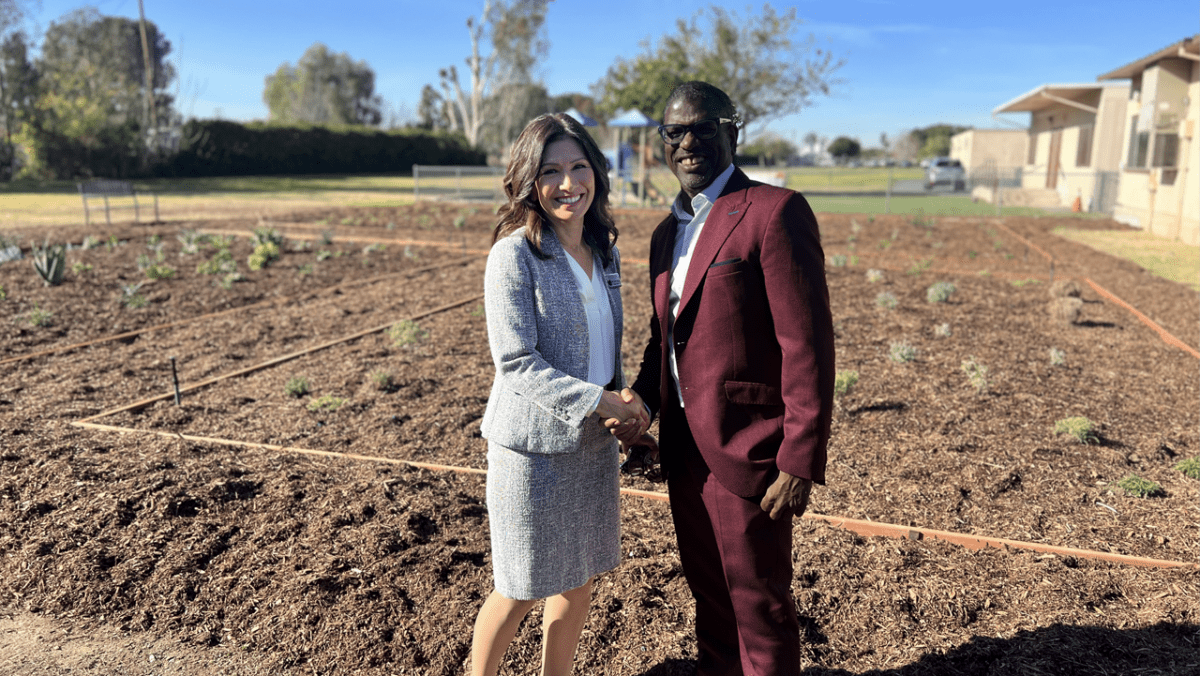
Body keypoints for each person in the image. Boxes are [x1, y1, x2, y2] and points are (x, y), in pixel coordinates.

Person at [610, 81, 835, 676]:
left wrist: (798, 458)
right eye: (674, 132)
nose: (688, 142)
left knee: (758, 608)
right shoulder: (666, 234)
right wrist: (641, 405)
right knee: (709, 601)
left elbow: (806, 347)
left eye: (704, 128)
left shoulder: (774, 212)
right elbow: (666, 341)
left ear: (733, 132)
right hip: (685, 455)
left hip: (750, 451)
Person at [471, 112, 649, 676]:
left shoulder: (606, 252)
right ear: (530, 180)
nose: (568, 183)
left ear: (596, 171)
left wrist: (623, 401)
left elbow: (606, 347)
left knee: (579, 578)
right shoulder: (513, 257)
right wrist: (601, 402)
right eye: (550, 171)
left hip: (591, 447)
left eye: (578, 167)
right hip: (532, 452)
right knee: (521, 584)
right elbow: (516, 364)